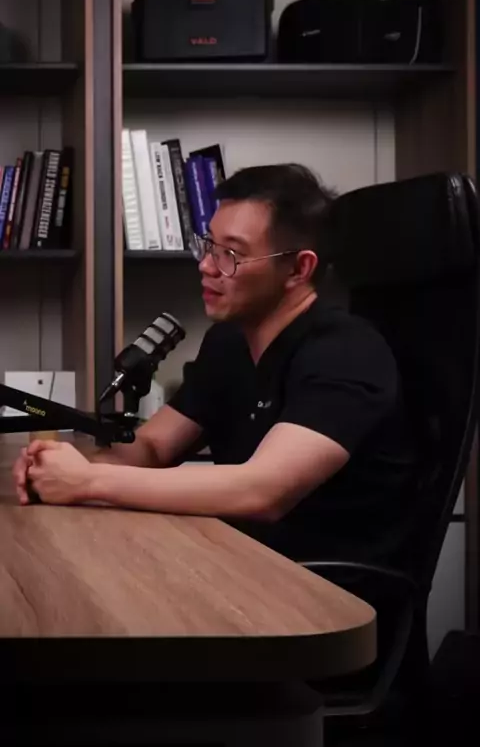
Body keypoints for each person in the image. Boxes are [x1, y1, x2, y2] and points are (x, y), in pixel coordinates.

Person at [12, 163, 416, 569]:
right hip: (240, 561)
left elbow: (263, 491)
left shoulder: (346, 353)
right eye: (209, 244)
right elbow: (153, 447)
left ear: (298, 269)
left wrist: (88, 481)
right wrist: (59, 466)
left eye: (231, 254)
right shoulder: (229, 343)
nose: (206, 266)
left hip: (319, 587)